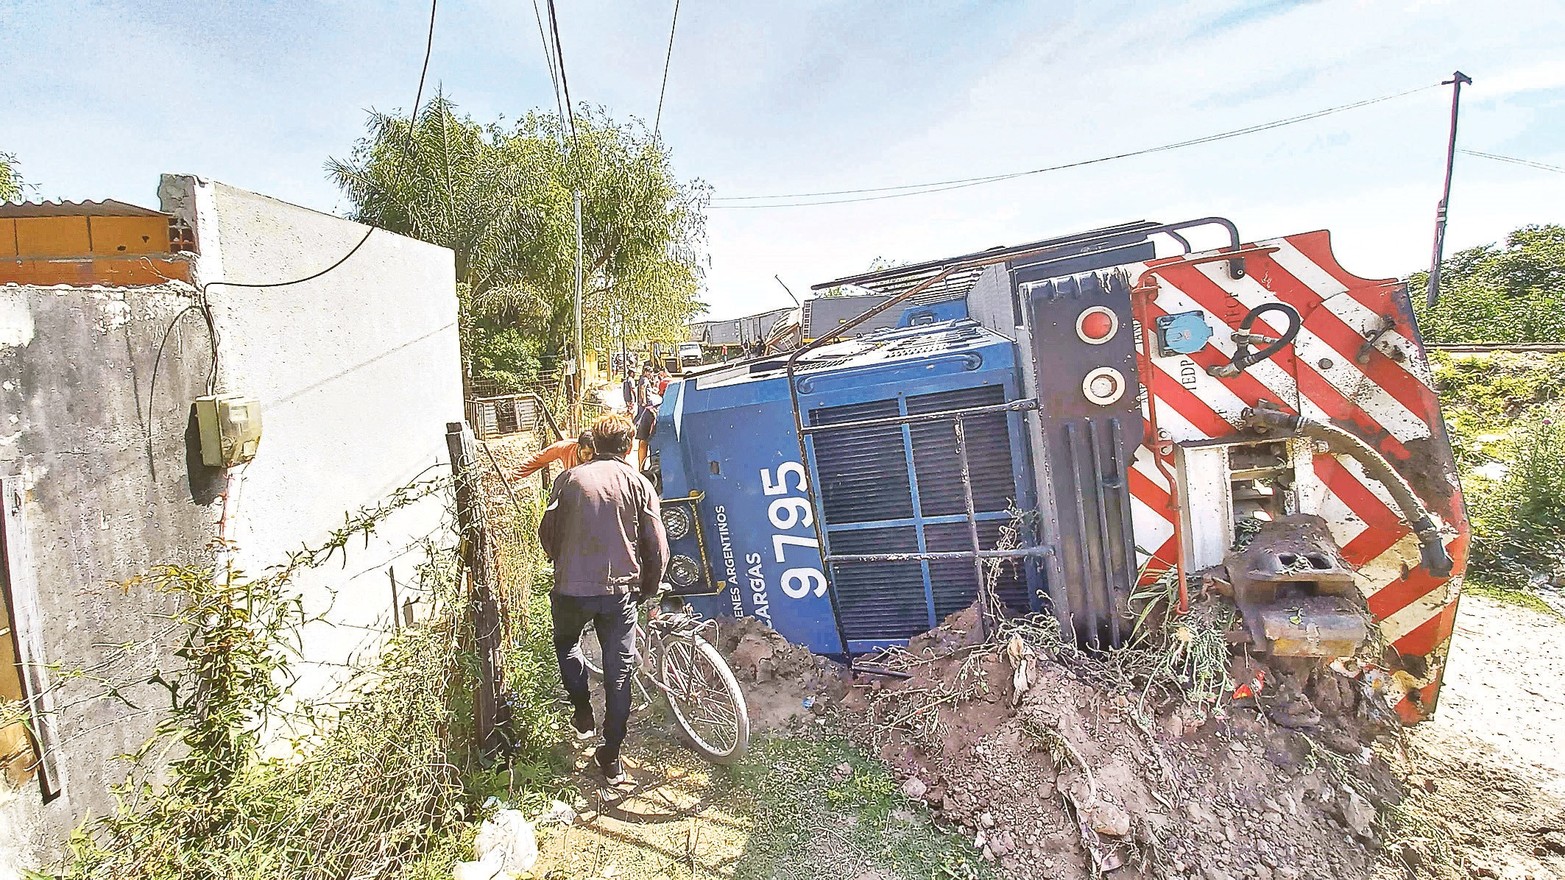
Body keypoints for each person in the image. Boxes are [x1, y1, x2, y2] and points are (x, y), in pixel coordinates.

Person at [538, 414, 668, 785]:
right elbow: (656, 545)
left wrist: (560, 560)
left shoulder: (569, 479)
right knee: (619, 673)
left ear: (592, 445)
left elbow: (547, 533)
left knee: (567, 644)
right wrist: (648, 586)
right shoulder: (639, 484)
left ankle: (582, 715)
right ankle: (610, 756)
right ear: (627, 448)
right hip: (620, 593)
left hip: (570, 589)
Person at [514, 431, 593, 481]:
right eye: (586, 453)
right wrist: (512, 474)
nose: (589, 458)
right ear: (578, 446)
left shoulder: (600, 453)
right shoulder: (565, 447)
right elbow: (538, 460)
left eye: (593, 454)